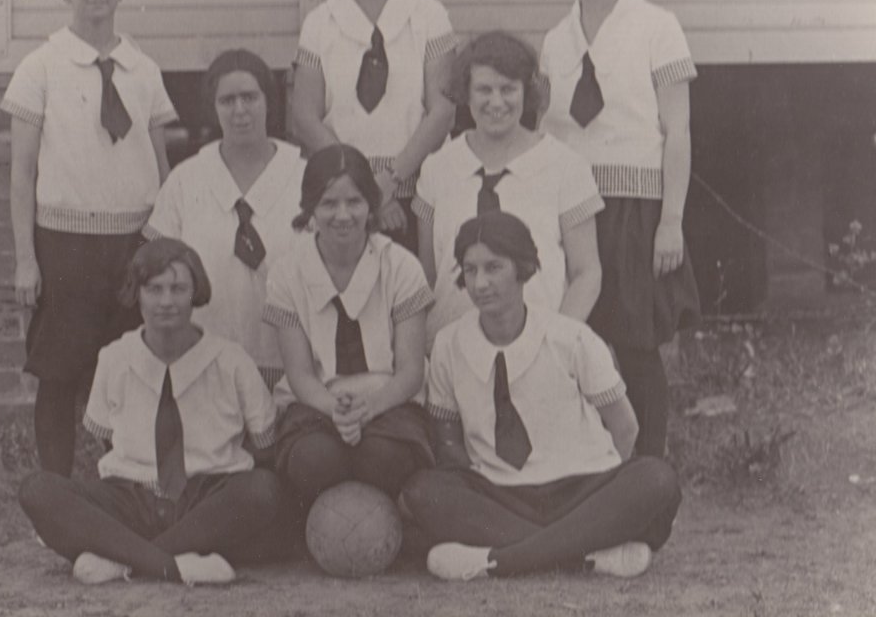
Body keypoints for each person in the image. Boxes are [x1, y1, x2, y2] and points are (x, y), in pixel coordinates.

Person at [400, 211, 681, 581]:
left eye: (494, 267)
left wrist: (602, 491)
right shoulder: (449, 345)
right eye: (470, 270)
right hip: (502, 496)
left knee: (656, 479)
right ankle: (585, 553)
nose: (480, 283)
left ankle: (501, 561)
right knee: (423, 491)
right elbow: (449, 444)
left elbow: (625, 429)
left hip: (582, 488)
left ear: (524, 269)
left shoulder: (571, 338)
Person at [2, 0, 176, 476]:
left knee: (132, 368)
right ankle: (55, 492)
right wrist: (26, 258)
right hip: (66, 244)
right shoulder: (41, 67)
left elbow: (161, 164)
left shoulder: (142, 68)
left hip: (135, 243)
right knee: (60, 372)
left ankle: (125, 486)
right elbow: (22, 173)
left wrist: (168, 240)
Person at [18, 238, 290, 586]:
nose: (166, 301)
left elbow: (265, 443)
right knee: (38, 490)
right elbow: (105, 436)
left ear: (196, 293)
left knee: (262, 489)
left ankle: (124, 560)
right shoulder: (115, 357)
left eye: (178, 289)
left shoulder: (231, 360)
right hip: (131, 500)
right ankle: (175, 565)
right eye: (154, 288)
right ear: (136, 294)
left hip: (204, 500)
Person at [539, 0, 701, 458]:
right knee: (573, 338)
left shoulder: (658, 27)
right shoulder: (556, 40)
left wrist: (671, 222)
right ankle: (588, 464)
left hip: (635, 207)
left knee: (634, 346)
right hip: (570, 210)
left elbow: (676, 131)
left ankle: (647, 471)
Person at [262, 144, 434, 508]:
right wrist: (336, 410)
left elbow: (410, 372)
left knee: (383, 459)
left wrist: (369, 408)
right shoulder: (286, 273)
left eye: (354, 202)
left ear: (371, 205)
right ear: (310, 209)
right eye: (328, 203)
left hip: (390, 400)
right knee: (314, 461)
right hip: (318, 403)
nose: (343, 215)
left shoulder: (401, 266)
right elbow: (301, 375)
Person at [289, 0, 458, 253]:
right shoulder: (320, 22)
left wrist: (389, 182)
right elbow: (304, 116)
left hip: (417, 191)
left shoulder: (428, 14)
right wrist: (363, 188)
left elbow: (442, 110)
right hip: (343, 198)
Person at [414, 31, 603, 350]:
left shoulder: (565, 166)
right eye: (484, 90)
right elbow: (428, 275)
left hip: (540, 348)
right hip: (453, 352)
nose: (496, 102)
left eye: (508, 89)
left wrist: (555, 342)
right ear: (466, 93)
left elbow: (587, 272)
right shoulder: (437, 169)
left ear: (526, 93)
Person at [144, 49, 306, 390]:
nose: (240, 111)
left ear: (268, 101)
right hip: (205, 364)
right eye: (227, 101)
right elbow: (157, 275)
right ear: (213, 107)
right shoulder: (186, 180)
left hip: (293, 369)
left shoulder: (303, 176)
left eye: (250, 97)